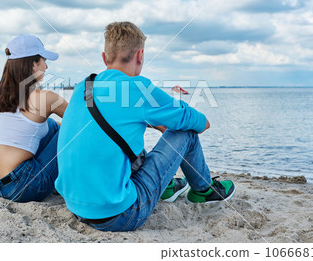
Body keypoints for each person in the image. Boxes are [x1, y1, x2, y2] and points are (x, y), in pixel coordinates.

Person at [55, 22, 235, 232]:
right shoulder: (139, 88)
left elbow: (118, 118)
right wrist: (172, 122)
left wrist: (154, 123)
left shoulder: (83, 87)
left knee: (120, 136)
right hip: (120, 214)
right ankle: (203, 190)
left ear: (105, 58)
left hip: (76, 206)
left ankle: (166, 187)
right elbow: (200, 122)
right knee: (186, 133)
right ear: (140, 56)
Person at [0, 34, 67, 202]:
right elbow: (82, 119)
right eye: (44, 60)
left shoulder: (1, 97)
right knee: (72, 131)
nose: (46, 66)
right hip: (24, 185)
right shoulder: (45, 98)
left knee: (51, 124)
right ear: (32, 64)